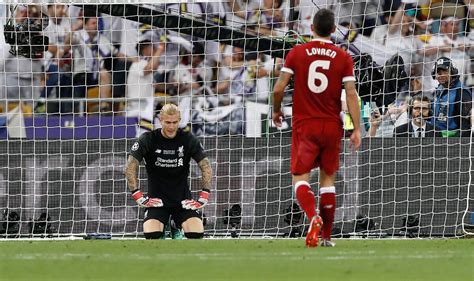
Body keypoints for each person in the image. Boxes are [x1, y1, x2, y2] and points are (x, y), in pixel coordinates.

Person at [272, 8, 361, 248]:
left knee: (300, 178)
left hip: (305, 124)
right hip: (332, 124)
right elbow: (351, 94)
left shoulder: (297, 53)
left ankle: (314, 218)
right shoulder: (344, 57)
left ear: (311, 28)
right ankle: (327, 238)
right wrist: (357, 128)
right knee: (328, 180)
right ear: (333, 30)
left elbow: (279, 88)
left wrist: (276, 110)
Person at [124, 103, 212, 239]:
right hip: (157, 202)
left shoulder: (188, 139)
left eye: (175, 122)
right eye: (167, 122)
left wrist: (204, 195)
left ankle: (174, 224)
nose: (171, 127)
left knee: (196, 234)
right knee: (152, 236)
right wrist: (137, 195)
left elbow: (205, 165)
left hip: (183, 202)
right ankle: (164, 224)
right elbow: (130, 165)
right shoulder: (148, 139)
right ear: (160, 120)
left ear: (180, 120)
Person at [431, 56, 472, 137]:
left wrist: (457, 143)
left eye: (445, 71)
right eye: (438, 72)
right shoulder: (438, 89)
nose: (441, 75)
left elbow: (466, 122)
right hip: (435, 136)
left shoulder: (461, 92)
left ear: (452, 72)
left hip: (452, 139)